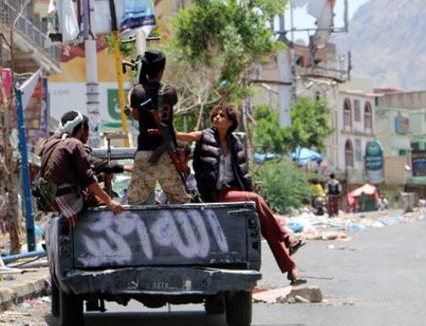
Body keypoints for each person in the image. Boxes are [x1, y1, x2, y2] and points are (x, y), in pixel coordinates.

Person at [176, 102, 306, 285]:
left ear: (230, 121)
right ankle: (287, 238)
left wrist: (247, 192)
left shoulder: (235, 143)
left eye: (222, 115)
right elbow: (183, 136)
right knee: (255, 199)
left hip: (234, 191)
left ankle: (292, 271)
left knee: (266, 227)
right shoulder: (204, 136)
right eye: (215, 115)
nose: (217, 118)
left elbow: (243, 173)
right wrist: (161, 125)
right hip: (216, 193)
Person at [38, 111, 124, 226]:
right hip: (69, 200)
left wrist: (121, 168)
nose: (88, 135)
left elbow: (88, 163)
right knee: (106, 208)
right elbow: (88, 179)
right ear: (83, 129)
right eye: (88, 131)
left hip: (51, 200)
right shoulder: (74, 144)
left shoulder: (50, 143)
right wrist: (110, 202)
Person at [125, 50, 189, 205]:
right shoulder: (170, 91)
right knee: (180, 202)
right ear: (161, 70)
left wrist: (130, 99)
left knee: (137, 204)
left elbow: (137, 115)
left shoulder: (137, 92)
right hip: (167, 153)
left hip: (145, 153)